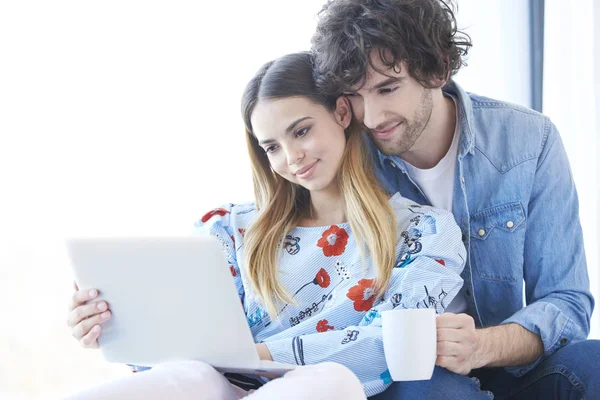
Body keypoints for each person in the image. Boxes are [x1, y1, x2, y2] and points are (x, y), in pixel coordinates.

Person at [66, 52, 467, 399]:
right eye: (272, 147)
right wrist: (114, 325)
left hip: (324, 390)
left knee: (329, 381)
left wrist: (253, 356)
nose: (292, 157)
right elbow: (176, 351)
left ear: (342, 113)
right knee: (195, 377)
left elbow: (388, 347)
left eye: (302, 131)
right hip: (214, 383)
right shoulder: (230, 228)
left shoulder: (423, 234)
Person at [310, 0, 598, 399]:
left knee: (593, 363)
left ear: (438, 69)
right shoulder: (348, 156)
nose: (371, 116)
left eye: (388, 88)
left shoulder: (528, 141)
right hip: (411, 376)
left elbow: (567, 302)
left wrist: (481, 346)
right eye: (354, 97)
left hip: (505, 361)